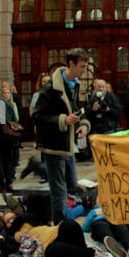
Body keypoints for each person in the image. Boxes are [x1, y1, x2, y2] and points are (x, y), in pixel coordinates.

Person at [34, 49, 87, 223]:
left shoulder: (75, 84)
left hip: (68, 144)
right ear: (71, 64)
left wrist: (83, 125)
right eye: (82, 66)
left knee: (71, 185)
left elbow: (76, 110)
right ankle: (60, 226)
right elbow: (38, 116)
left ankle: (37, 167)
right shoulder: (50, 88)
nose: (84, 69)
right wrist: (63, 120)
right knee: (59, 190)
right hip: (54, 146)